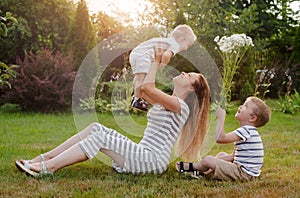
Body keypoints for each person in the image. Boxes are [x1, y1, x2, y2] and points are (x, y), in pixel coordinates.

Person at [15, 46, 210, 177]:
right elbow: (141, 90)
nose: (184, 73)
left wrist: (155, 62)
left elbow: (148, 89)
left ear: (192, 88)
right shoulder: (169, 101)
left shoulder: (180, 106)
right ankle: (45, 158)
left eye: (189, 75)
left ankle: (48, 168)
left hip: (152, 160)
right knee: (95, 128)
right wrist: (145, 62)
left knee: (100, 138)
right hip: (143, 153)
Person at [176, 96, 271, 181]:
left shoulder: (246, 131)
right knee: (220, 155)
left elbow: (220, 138)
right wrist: (218, 159)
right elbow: (233, 157)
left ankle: (194, 168)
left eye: (245, 106)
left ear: (252, 118)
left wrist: (221, 118)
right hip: (245, 171)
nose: (241, 107)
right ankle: (204, 173)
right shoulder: (249, 131)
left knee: (208, 160)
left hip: (243, 173)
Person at [130, 24, 197, 111]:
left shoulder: (167, 41)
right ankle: (137, 99)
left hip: (137, 53)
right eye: (187, 45)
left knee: (139, 77)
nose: (186, 48)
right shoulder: (175, 45)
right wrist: (163, 64)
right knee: (140, 78)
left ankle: (136, 97)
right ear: (182, 39)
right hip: (144, 55)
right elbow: (166, 55)